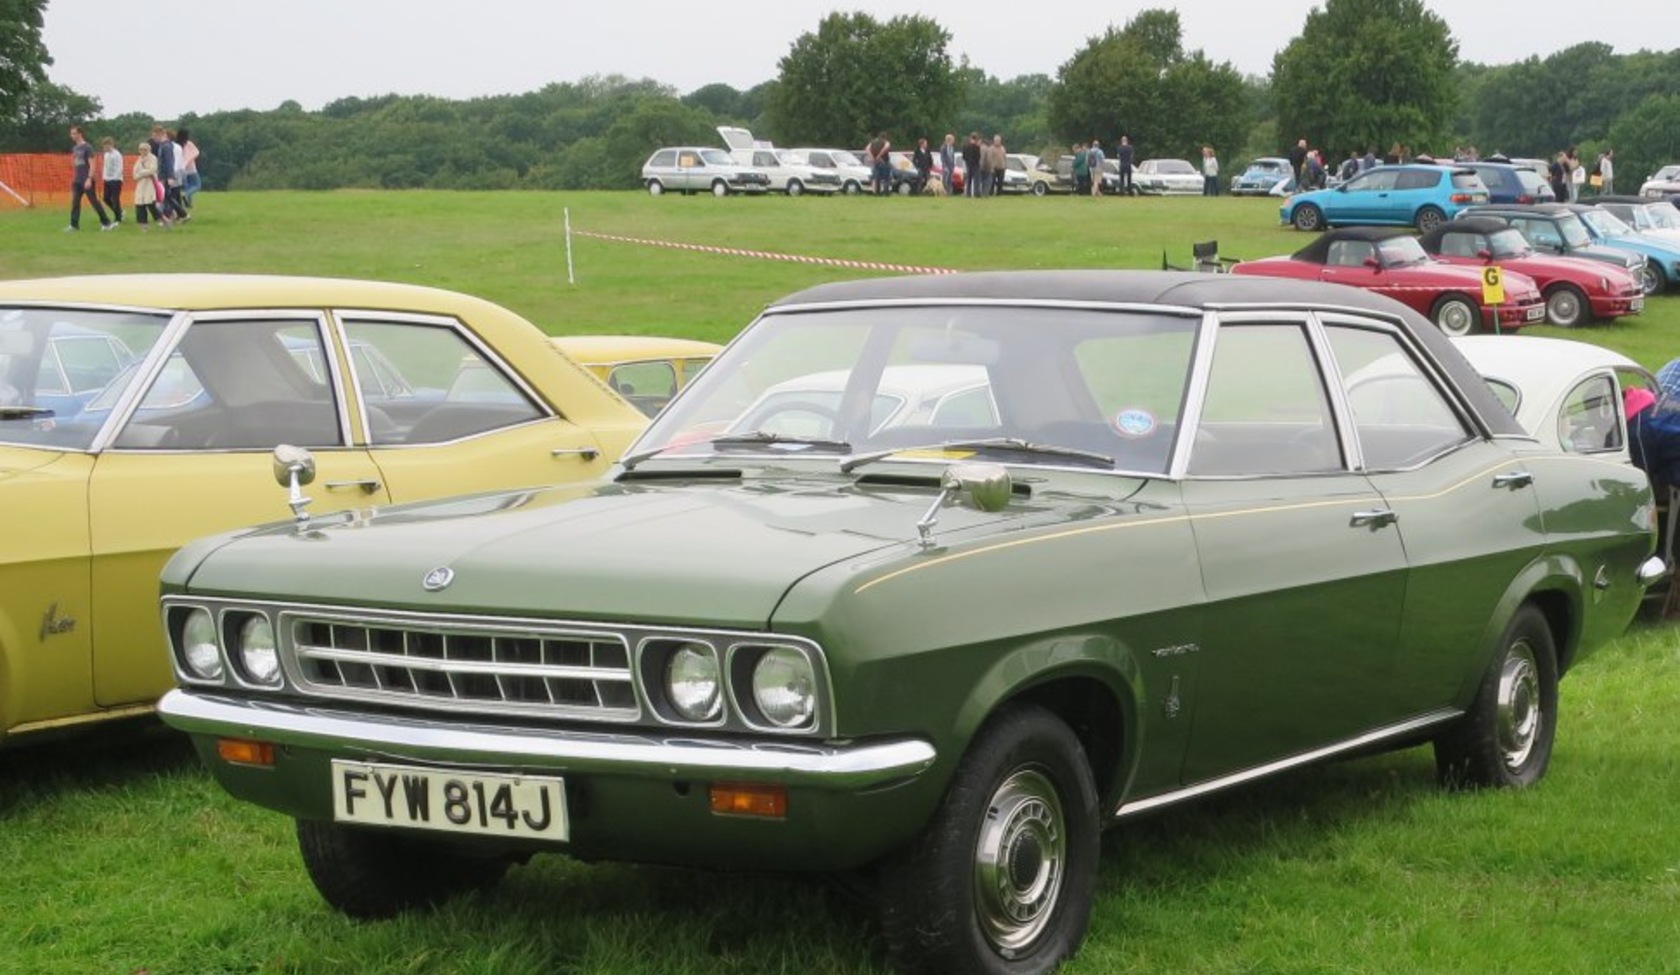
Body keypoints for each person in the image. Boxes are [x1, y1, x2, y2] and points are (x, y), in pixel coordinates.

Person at [66, 125, 113, 231]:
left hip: (86, 179)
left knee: (94, 202)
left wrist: (89, 178)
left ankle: (106, 223)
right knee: (75, 203)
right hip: (77, 180)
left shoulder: (87, 147)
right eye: (71, 133)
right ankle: (74, 225)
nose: (72, 135)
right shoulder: (75, 148)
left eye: (74, 133)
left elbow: (92, 164)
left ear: (79, 134)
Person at [131, 142, 167, 231]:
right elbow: (134, 175)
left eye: (145, 149)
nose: (143, 151)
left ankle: (162, 220)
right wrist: (143, 173)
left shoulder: (152, 158)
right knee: (140, 205)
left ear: (149, 150)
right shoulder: (138, 160)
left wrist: (141, 172)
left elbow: (152, 170)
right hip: (140, 185)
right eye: (141, 149)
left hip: (150, 185)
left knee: (151, 204)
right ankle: (144, 226)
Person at [175, 127, 201, 214]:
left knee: (188, 187)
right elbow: (196, 152)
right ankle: (186, 195)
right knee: (196, 185)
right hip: (191, 168)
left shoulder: (176, 145)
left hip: (181, 170)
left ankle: (189, 204)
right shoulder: (188, 143)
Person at [99, 136, 125, 226]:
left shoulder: (117, 155)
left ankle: (118, 218)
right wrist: (104, 177)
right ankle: (120, 212)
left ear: (111, 145)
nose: (105, 148)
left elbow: (119, 167)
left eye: (106, 146)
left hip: (116, 180)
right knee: (106, 198)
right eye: (103, 147)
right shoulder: (106, 155)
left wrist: (115, 177)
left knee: (115, 199)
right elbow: (105, 166)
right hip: (107, 179)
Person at [866, 131, 891, 196]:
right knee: (886, 178)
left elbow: (867, 148)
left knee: (877, 178)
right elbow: (886, 147)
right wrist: (879, 156)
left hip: (876, 162)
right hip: (884, 161)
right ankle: (886, 192)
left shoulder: (872, 142)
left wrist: (872, 157)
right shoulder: (886, 142)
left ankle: (877, 192)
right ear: (885, 137)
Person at [961, 132, 982, 198]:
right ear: (976, 139)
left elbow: (963, 156)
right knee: (976, 180)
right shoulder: (976, 147)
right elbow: (978, 156)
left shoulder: (965, 146)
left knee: (968, 180)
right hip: (975, 165)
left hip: (968, 165)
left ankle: (968, 193)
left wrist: (968, 161)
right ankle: (976, 193)